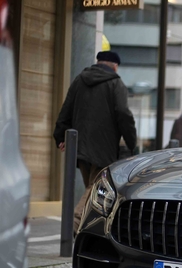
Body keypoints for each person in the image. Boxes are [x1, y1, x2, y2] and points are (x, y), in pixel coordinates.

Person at [53, 51, 137, 234]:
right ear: (115, 66)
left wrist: (60, 136)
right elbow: (123, 114)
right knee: (95, 188)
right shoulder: (116, 83)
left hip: (80, 146)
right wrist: (132, 142)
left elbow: (66, 108)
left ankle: (87, 230)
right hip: (103, 147)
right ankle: (75, 223)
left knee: (93, 188)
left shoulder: (80, 80)